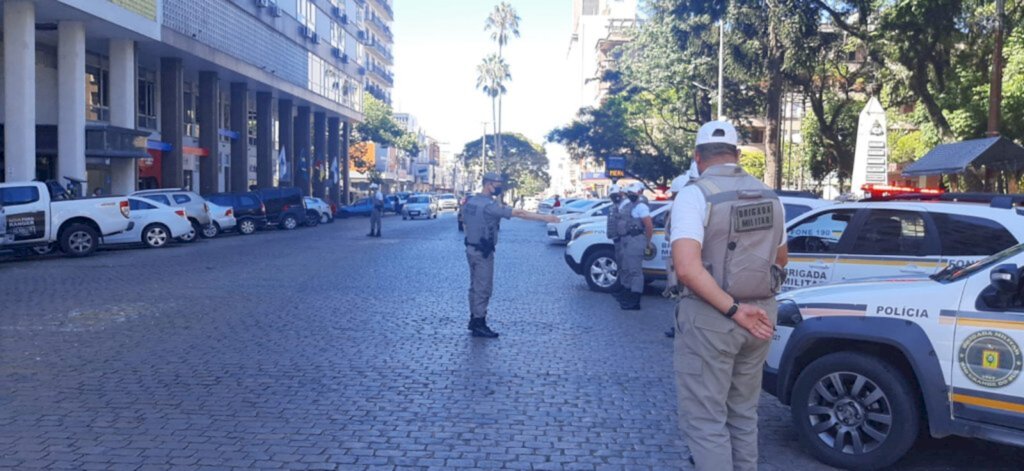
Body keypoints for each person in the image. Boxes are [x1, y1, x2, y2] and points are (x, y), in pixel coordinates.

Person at [670, 120, 787, 471]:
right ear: (737, 155)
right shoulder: (770, 195)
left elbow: (688, 269)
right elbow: (781, 260)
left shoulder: (695, 194)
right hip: (761, 316)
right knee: (743, 414)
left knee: (706, 420)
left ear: (697, 157)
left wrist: (734, 309)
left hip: (713, 317)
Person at [463, 173, 559, 338]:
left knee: (474, 286)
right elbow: (520, 214)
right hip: (483, 251)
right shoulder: (489, 206)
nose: (499, 187)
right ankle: (479, 323)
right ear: (488, 185)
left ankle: (474, 319)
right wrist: (545, 217)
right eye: (497, 184)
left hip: (471, 248)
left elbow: (464, 223)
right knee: (483, 288)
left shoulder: (470, 202)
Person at [664, 162, 701, 338]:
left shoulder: (692, 202)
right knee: (679, 295)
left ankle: (684, 327)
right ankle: (680, 324)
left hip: (690, 261)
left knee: (686, 295)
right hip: (684, 258)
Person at [616, 182, 653, 310]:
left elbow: (648, 225)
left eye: (632, 193)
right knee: (626, 268)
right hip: (628, 239)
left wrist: (648, 242)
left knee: (635, 272)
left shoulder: (641, 206)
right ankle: (628, 295)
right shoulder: (631, 205)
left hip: (636, 240)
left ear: (640, 192)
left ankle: (635, 301)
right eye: (629, 193)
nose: (630, 195)